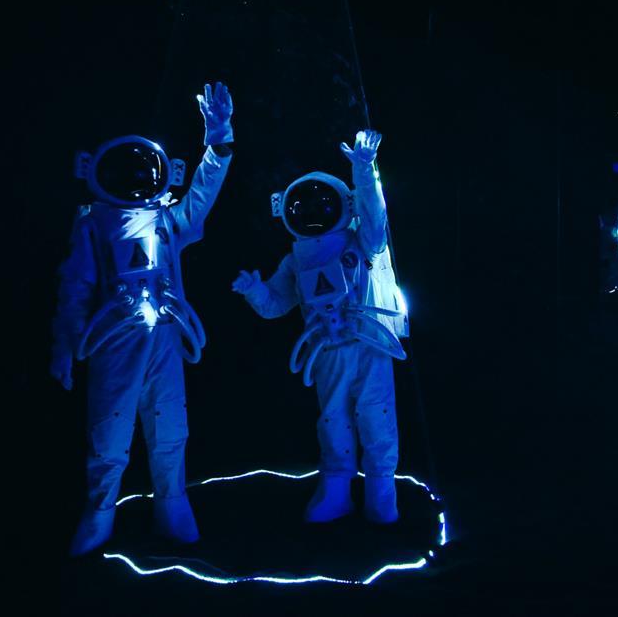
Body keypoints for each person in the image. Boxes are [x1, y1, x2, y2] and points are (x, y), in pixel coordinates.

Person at [51, 82, 234, 556]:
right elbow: (75, 289)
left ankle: (172, 505)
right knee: (110, 428)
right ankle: (100, 513)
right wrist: (65, 344)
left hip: (166, 334)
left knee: (170, 424)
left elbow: (201, 196)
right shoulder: (94, 224)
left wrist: (218, 139)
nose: (136, 178)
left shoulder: (168, 219)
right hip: (115, 337)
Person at [232, 130, 409, 524]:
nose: (313, 211)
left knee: (377, 416)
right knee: (333, 419)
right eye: (305, 205)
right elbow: (276, 304)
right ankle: (336, 490)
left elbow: (375, 217)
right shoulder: (296, 259)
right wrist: (254, 290)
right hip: (327, 349)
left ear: (342, 204)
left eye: (322, 204)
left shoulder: (361, 241)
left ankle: (382, 494)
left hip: (370, 343)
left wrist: (364, 171)